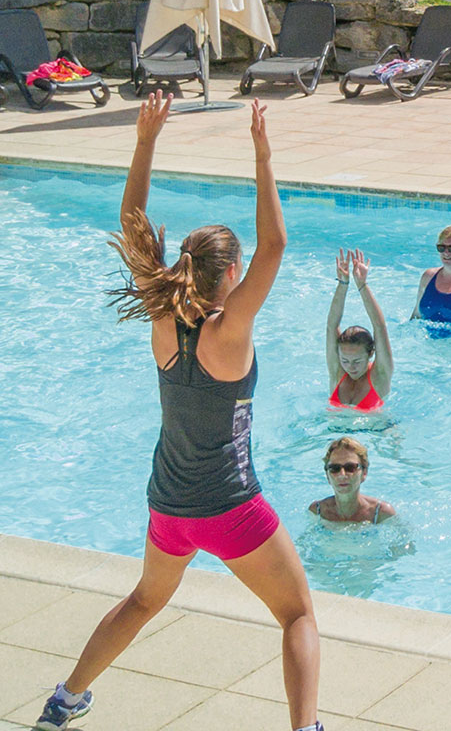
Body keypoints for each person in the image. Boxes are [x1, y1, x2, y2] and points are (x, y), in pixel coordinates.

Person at [36, 95, 320, 731]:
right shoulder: (231, 329)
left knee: (142, 601)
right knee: (298, 615)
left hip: (168, 508)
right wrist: (263, 153)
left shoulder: (164, 318)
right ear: (231, 275)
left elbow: (133, 222)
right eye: (241, 267)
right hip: (231, 509)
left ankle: (67, 698)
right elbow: (277, 242)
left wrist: (145, 142)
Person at [326, 250, 392, 412]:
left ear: (370, 354)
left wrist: (362, 284)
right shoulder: (337, 373)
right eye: (345, 360)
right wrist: (343, 284)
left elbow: (380, 327)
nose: (350, 367)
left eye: (356, 361)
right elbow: (331, 326)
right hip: (336, 433)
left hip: (374, 434)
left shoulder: (380, 376)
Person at [307, 437, 395, 525]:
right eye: (334, 468)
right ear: (327, 475)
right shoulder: (317, 511)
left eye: (350, 467)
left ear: (364, 473)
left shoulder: (381, 513)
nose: (342, 475)